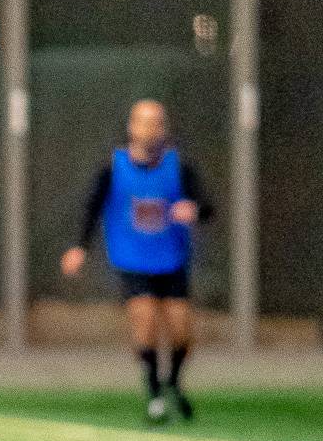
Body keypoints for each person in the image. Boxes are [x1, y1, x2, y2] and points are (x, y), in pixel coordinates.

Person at [61, 100, 214, 423]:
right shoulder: (113, 167)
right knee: (145, 322)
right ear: (132, 127)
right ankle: (154, 393)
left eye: (156, 122)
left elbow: (207, 206)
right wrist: (79, 247)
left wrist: (194, 210)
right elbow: (92, 208)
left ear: (164, 128)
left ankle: (173, 382)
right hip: (131, 259)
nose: (150, 129)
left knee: (181, 333)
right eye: (143, 122)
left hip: (172, 260)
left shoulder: (179, 167)